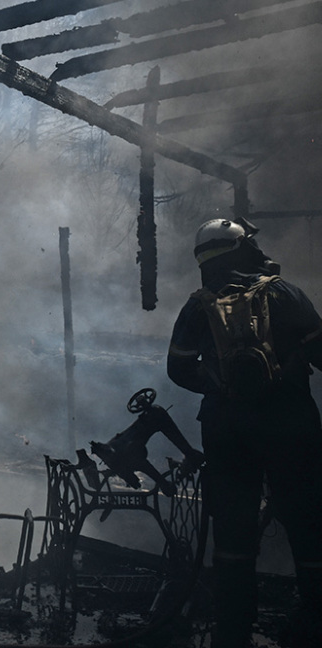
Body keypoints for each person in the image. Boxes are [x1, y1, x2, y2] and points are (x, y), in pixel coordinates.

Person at [167, 218, 322, 648]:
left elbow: (178, 368)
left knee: (233, 530)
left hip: (227, 431)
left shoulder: (197, 306)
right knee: (307, 523)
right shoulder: (283, 293)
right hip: (291, 427)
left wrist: (220, 384)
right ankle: (315, 618)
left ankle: (233, 627)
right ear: (239, 248)